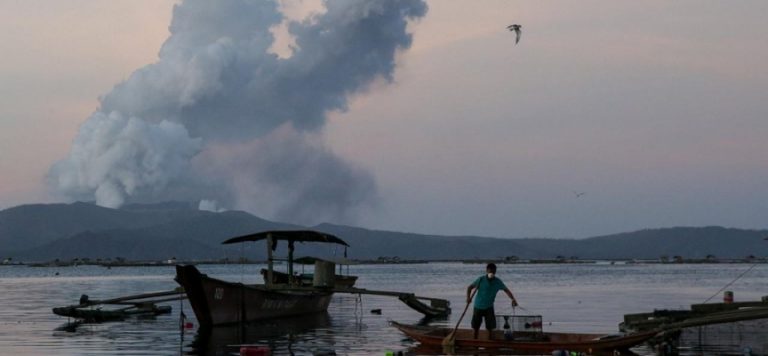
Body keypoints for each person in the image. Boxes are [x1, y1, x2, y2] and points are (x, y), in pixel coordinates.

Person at [466, 263, 517, 339]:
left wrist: (513, 299)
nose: (492, 273)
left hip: (489, 307)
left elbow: (506, 290)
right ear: (487, 271)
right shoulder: (481, 280)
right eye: (490, 271)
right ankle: (474, 344)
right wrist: (468, 298)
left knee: (490, 328)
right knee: (476, 327)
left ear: (495, 272)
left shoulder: (498, 282)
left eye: (493, 272)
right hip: (478, 306)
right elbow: (469, 287)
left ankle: (489, 344)